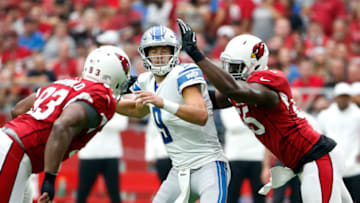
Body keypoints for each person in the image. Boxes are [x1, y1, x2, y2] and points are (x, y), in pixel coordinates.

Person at [177, 19, 353, 203]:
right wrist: (176, 89)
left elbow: (233, 90)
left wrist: (197, 55)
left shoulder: (268, 82)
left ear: (254, 64)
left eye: (235, 67)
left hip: (316, 157)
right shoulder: (242, 89)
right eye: (227, 66)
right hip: (306, 161)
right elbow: (211, 100)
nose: (229, 72)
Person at [0, 45, 130, 203]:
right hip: (15, 152)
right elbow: (62, 126)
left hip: (9, 142)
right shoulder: (101, 96)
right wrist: (49, 179)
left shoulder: (67, 82)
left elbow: (17, 109)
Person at [116, 25, 229, 203]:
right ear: (146, 55)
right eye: (154, 51)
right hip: (178, 170)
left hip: (208, 165)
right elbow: (137, 111)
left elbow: (201, 115)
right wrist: (105, 100)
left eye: (164, 50)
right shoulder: (146, 80)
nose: (159, 56)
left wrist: (162, 102)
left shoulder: (183, 73)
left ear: (174, 53)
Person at [317, 82, 360, 203]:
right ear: (336, 97)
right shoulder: (325, 115)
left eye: (346, 96)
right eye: (341, 96)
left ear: (350, 98)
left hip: (355, 168)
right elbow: (320, 137)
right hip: (334, 168)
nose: (343, 99)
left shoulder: (358, 115)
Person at [77, 113, 128, 203]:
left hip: (111, 154)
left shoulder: (117, 101)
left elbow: (122, 124)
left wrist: (98, 121)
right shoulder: (86, 100)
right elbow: (80, 122)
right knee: (82, 194)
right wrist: (106, 120)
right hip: (88, 154)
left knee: (115, 194)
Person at [220, 107, 265, 203]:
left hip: (257, 156)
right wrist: (255, 123)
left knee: (260, 197)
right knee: (232, 195)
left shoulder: (257, 104)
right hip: (235, 157)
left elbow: (264, 125)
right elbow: (232, 125)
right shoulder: (227, 107)